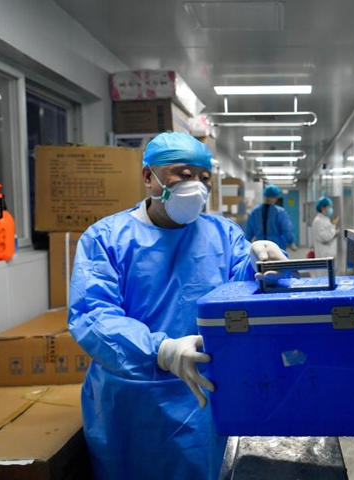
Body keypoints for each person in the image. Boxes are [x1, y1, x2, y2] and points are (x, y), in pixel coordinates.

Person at [68, 132, 288, 480]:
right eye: (184, 175)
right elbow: (93, 315)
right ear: (148, 177)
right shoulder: (105, 239)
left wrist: (266, 269)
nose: (196, 185)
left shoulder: (224, 235)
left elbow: (241, 293)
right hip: (131, 399)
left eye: (204, 177)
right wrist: (162, 351)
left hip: (204, 392)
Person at [245, 184, 298, 251]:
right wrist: (291, 242)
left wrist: (246, 246)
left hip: (260, 247)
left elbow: (248, 232)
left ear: (265, 196)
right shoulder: (280, 212)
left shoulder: (254, 212)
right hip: (277, 247)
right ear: (276, 197)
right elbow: (286, 229)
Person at [311, 196, 339, 267]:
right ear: (323, 208)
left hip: (328, 255)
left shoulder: (324, 220)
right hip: (324, 256)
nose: (331, 209)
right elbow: (325, 237)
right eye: (329, 207)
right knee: (325, 272)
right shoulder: (318, 221)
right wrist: (333, 226)